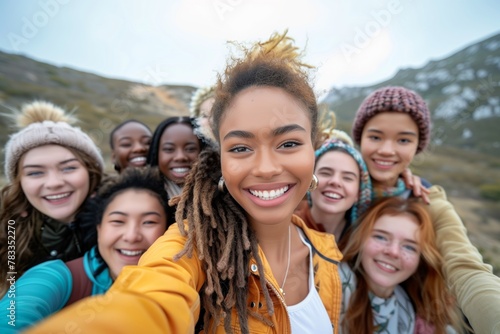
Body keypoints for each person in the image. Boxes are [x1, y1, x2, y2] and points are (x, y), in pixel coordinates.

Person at [27, 31, 343, 334]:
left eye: (288, 143)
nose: (265, 168)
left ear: (315, 146)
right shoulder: (191, 246)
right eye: (240, 148)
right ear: (220, 157)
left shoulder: (326, 254)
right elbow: (149, 301)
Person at [351, 86, 500, 333]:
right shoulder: (335, 186)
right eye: (375, 137)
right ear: (360, 139)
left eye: (403, 140)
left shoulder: (427, 201)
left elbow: (466, 268)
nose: (387, 150)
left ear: (418, 146)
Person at [0, 166, 174, 333]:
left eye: (149, 222)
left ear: (167, 229)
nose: (131, 236)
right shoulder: (56, 276)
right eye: (118, 221)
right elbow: (14, 317)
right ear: (98, 227)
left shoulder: (181, 283)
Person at [0, 100, 104, 297]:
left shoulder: (126, 223)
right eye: (35, 173)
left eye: (69, 168)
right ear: (19, 183)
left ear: (91, 172)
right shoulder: (7, 235)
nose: (54, 183)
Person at [339, 196, 464, 333]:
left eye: (409, 247)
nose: (393, 252)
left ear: (420, 259)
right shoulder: (329, 284)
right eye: (380, 237)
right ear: (360, 239)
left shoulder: (417, 315)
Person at [295, 130, 372, 242]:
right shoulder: (285, 228)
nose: (335, 181)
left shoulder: (364, 241)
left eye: (347, 178)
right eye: (325, 173)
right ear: (309, 180)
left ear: (359, 192)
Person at [146, 116, 203, 198]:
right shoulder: (143, 196)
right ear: (156, 153)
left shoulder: (222, 194)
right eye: (169, 149)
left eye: (190, 149)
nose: (180, 157)